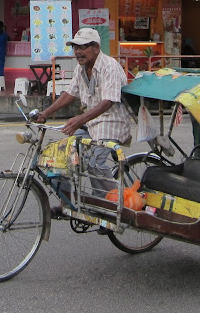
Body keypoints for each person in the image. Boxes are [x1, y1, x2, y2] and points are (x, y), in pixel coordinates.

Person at [33, 27, 131, 208]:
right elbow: (69, 94)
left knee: (94, 161)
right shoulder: (81, 69)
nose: (78, 52)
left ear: (96, 48)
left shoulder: (109, 66)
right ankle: (69, 202)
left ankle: (110, 205)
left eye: (83, 47)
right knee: (61, 156)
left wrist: (80, 119)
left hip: (112, 122)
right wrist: (45, 113)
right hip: (91, 123)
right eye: (75, 47)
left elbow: (108, 101)